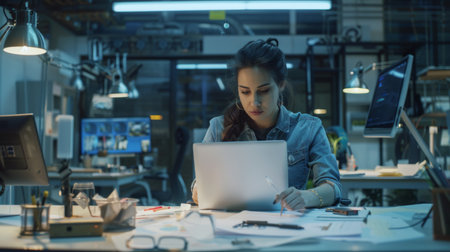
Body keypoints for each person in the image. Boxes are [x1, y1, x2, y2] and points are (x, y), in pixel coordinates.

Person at [191, 38, 342, 210]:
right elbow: (198, 185)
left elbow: (333, 187)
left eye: (263, 91)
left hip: (286, 227)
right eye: (245, 92)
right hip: (231, 228)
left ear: (281, 85)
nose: (253, 102)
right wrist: (199, 190)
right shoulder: (218, 127)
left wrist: (306, 197)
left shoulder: (308, 128)